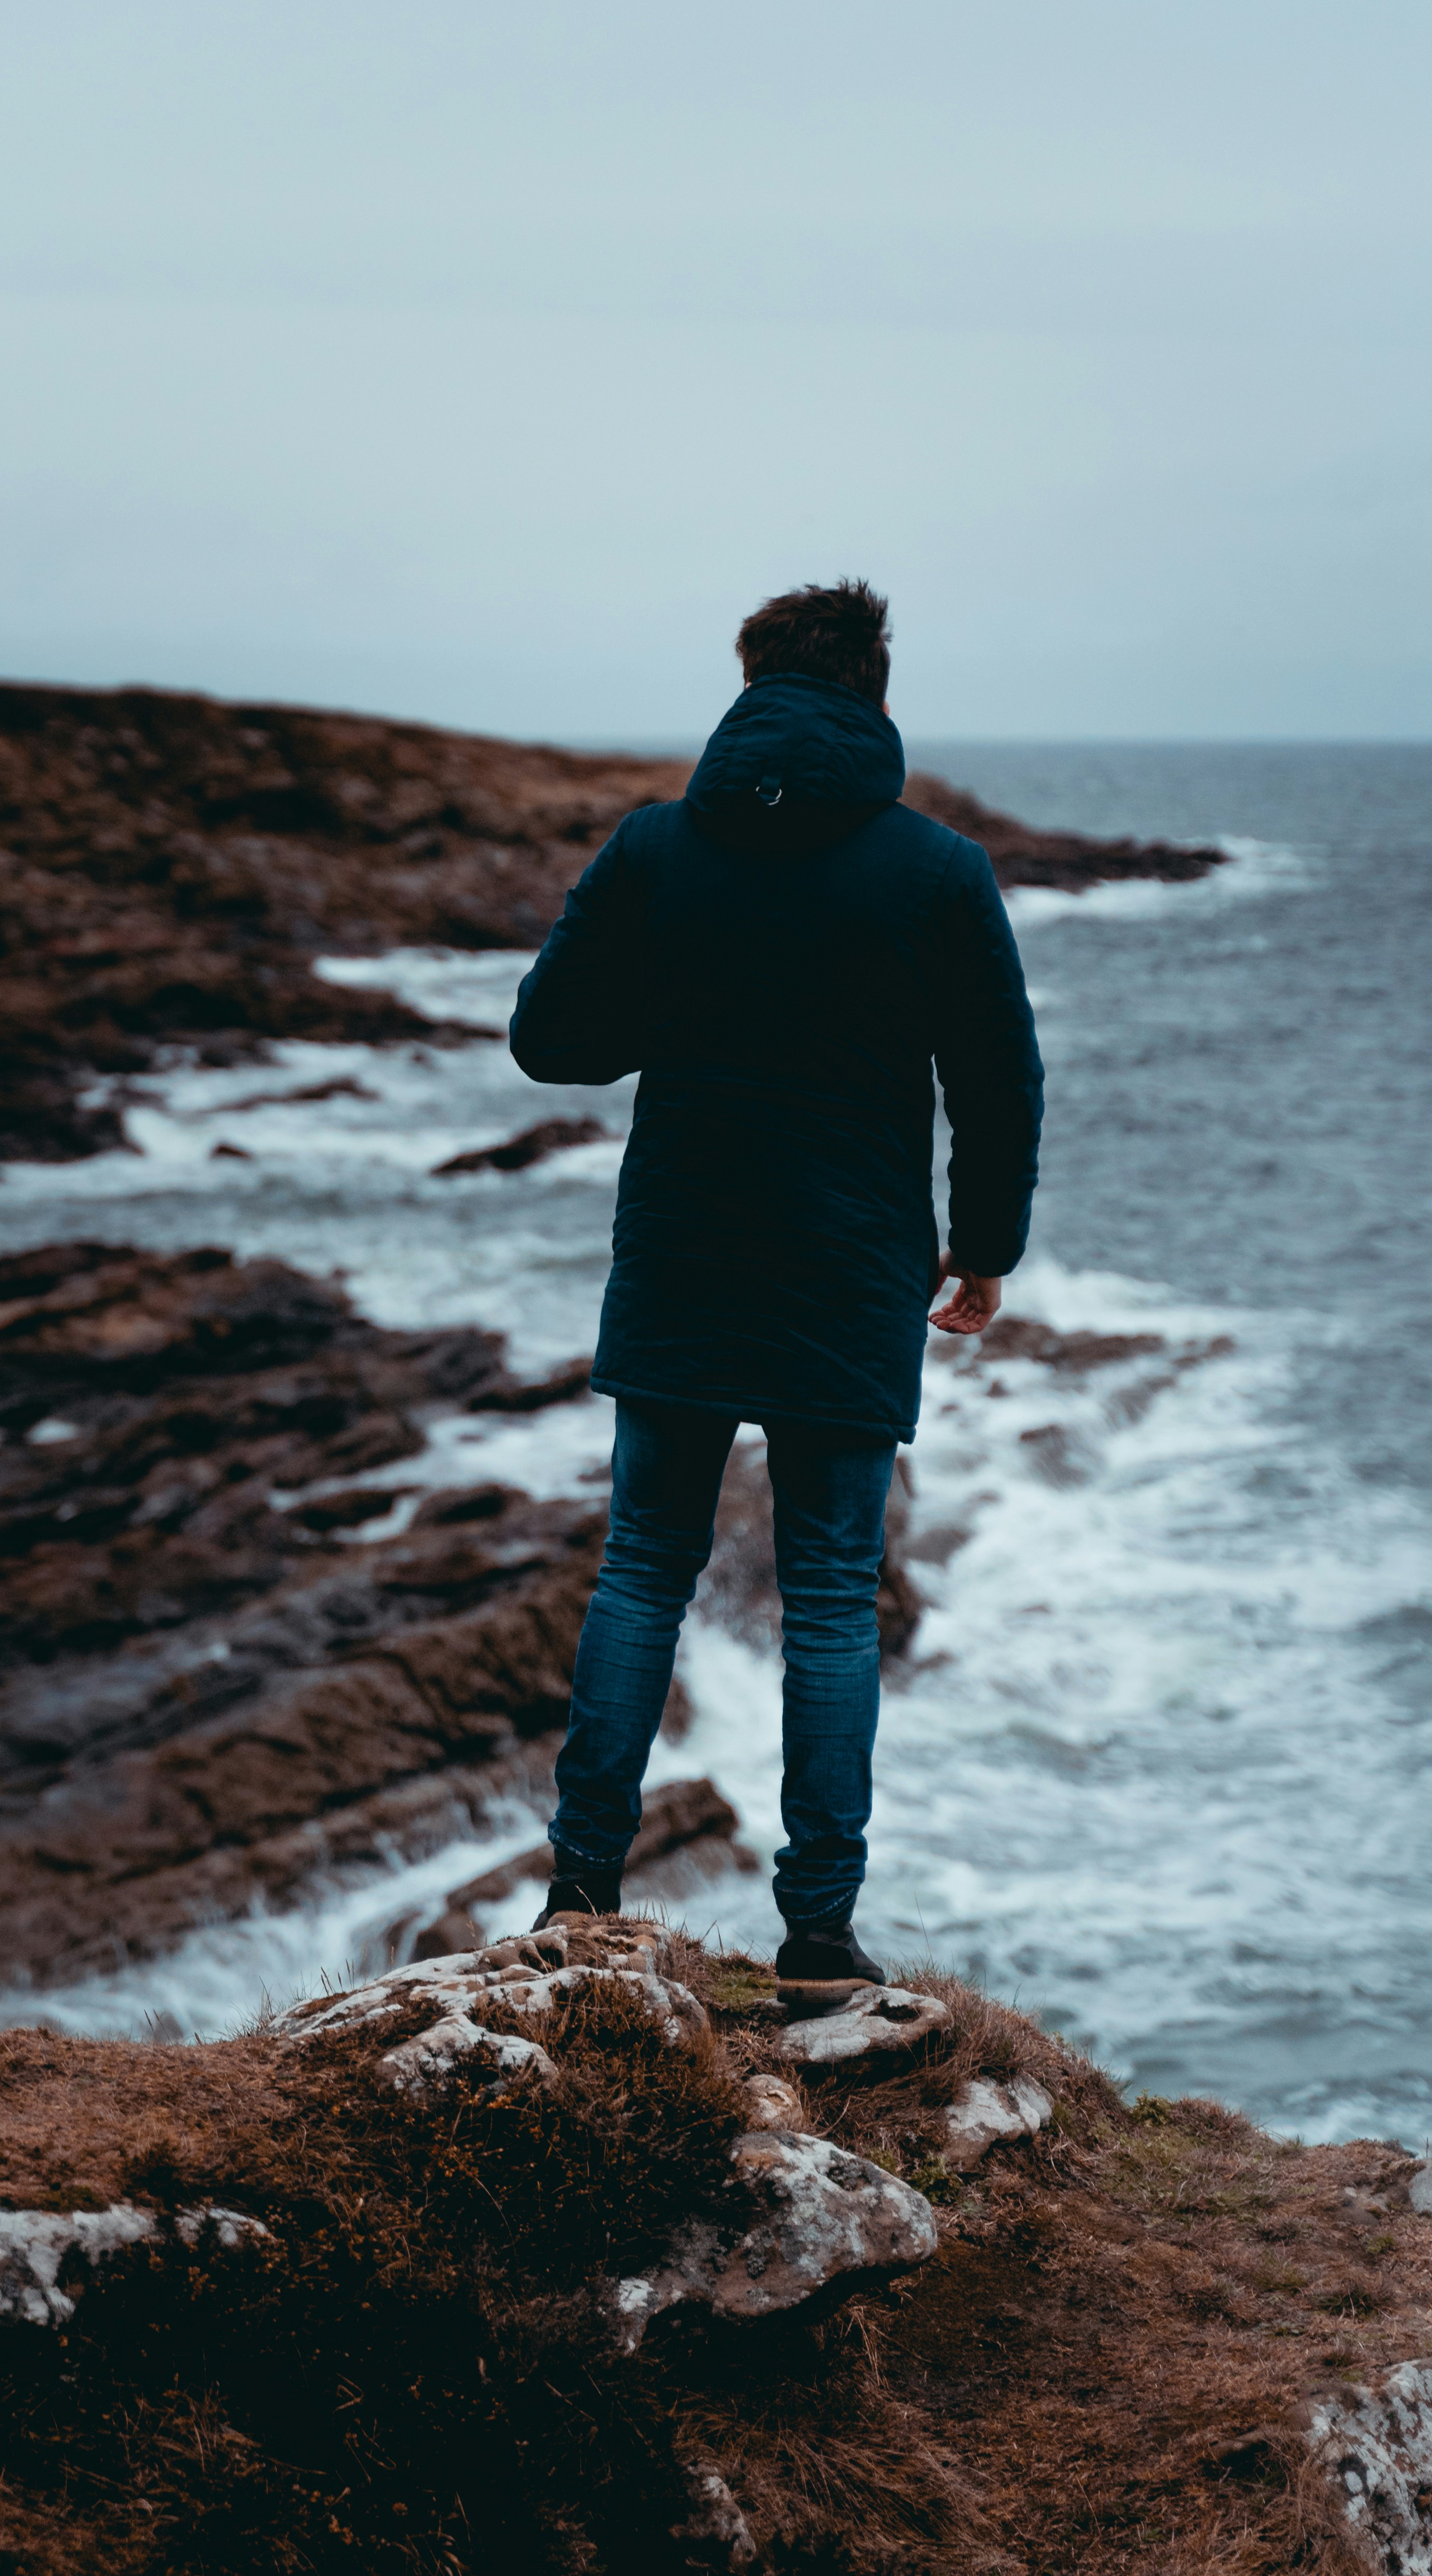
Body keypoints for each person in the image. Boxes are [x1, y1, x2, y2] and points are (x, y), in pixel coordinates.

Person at [509, 579, 1043, 2014]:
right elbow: (995, 1079)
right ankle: (816, 1937)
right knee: (825, 1598)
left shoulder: (657, 847)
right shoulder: (934, 870)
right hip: (847, 1264)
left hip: (684, 1247)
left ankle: (578, 1897)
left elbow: (546, 1039)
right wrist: (984, 1246)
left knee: (641, 1568)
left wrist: (683, 1011)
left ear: (750, 680)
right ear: (872, 686)